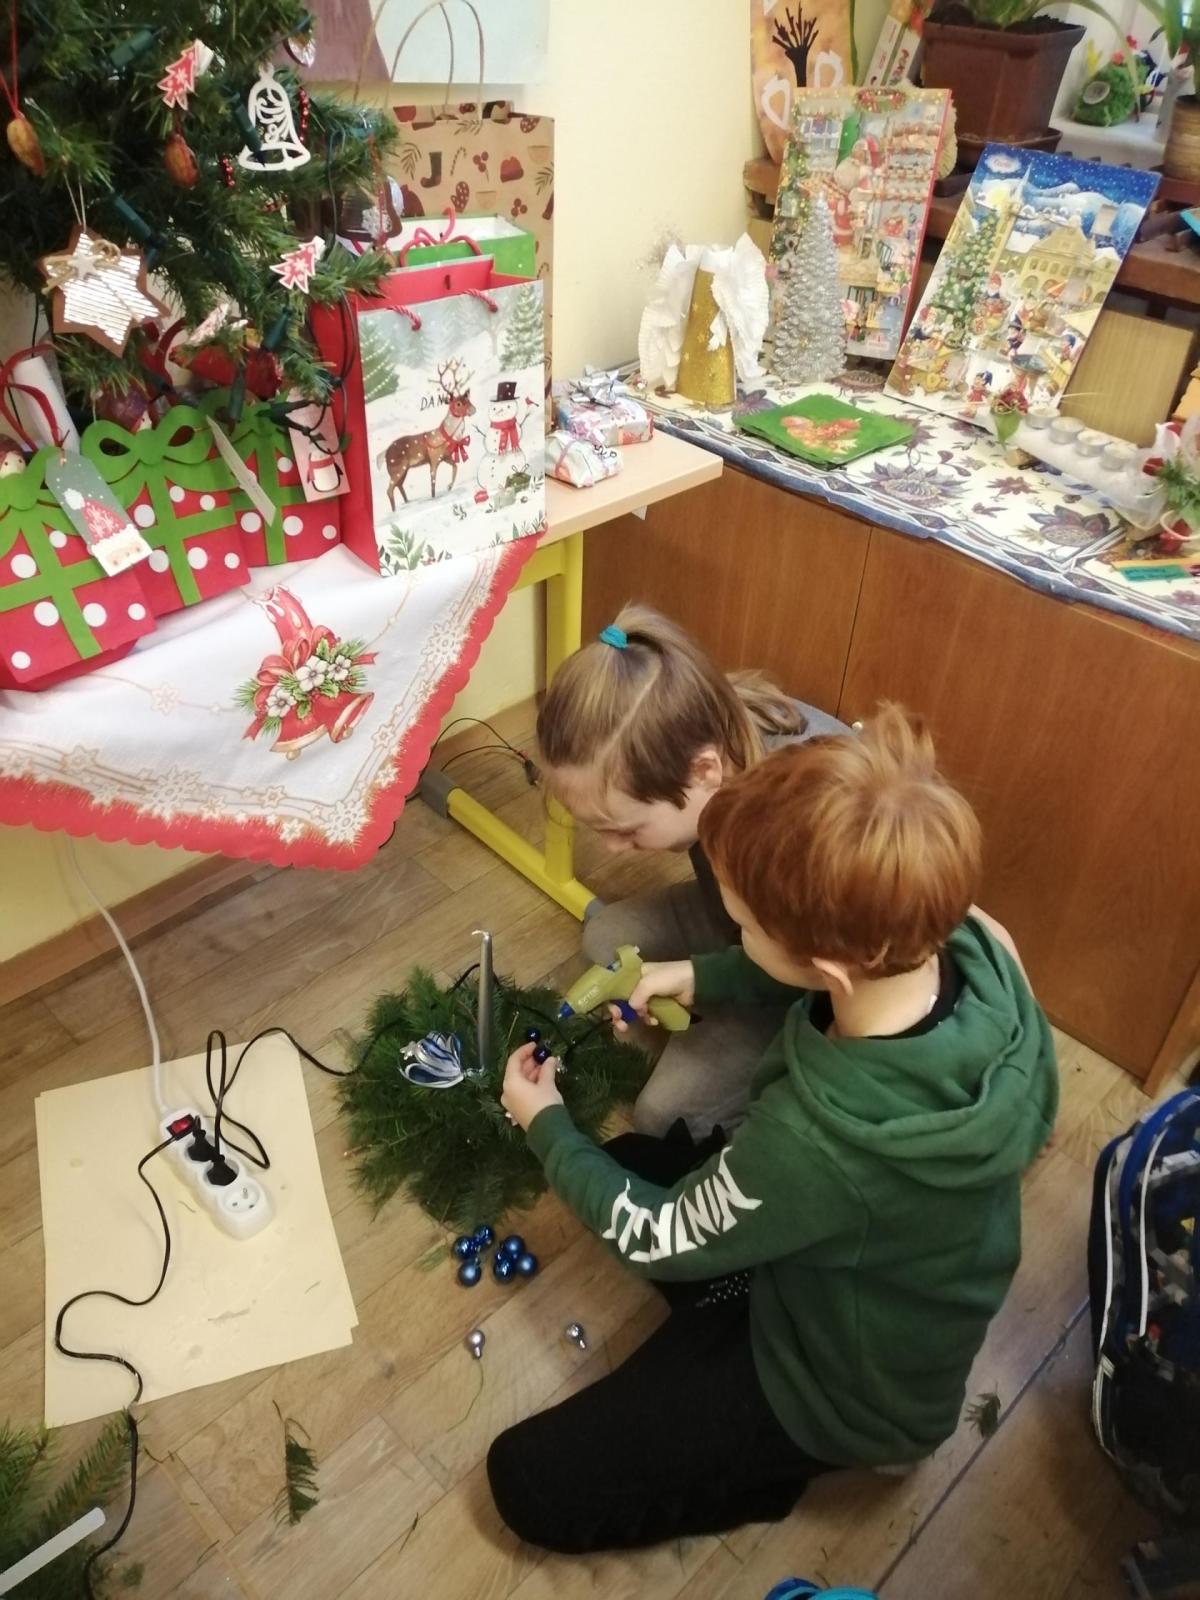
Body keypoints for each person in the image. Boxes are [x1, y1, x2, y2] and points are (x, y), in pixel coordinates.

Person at [488, 707, 1058, 1553]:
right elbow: (813, 976)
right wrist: (702, 975)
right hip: (865, 1277)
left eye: (746, 928)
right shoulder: (969, 941)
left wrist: (546, 1125)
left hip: (844, 1392)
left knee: (528, 1482)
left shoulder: (819, 1140)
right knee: (635, 1156)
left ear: (826, 964)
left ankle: (782, 1459)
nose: (740, 936)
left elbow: (654, 1235)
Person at [536, 604, 849, 1138]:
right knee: (606, 937)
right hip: (745, 925)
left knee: (665, 1117)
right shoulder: (691, 726)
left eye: (627, 829)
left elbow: (813, 969)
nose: (612, 849)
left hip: (802, 979)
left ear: (705, 771)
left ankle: (770, 1068)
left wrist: (701, 978)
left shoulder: (794, 829)